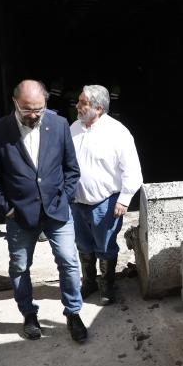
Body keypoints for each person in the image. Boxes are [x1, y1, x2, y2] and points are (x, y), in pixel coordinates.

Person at [0, 80, 87, 342]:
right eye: (28, 110)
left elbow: (71, 169)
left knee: (68, 261)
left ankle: (73, 313)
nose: (34, 115)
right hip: (19, 214)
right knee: (20, 266)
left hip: (56, 210)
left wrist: (64, 197)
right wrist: (6, 210)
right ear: (15, 103)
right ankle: (29, 314)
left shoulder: (60, 125)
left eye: (39, 109)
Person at [70, 85, 143, 305]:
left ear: (98, 108)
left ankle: (107, 286)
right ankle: (89, 282)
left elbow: (132, 169)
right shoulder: (74, 127)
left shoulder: (117, 132)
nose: (78, 105)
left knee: (105, 246)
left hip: (106, 202)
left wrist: (124, 199)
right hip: (77, 201)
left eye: (83, 102)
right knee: (83, 245)